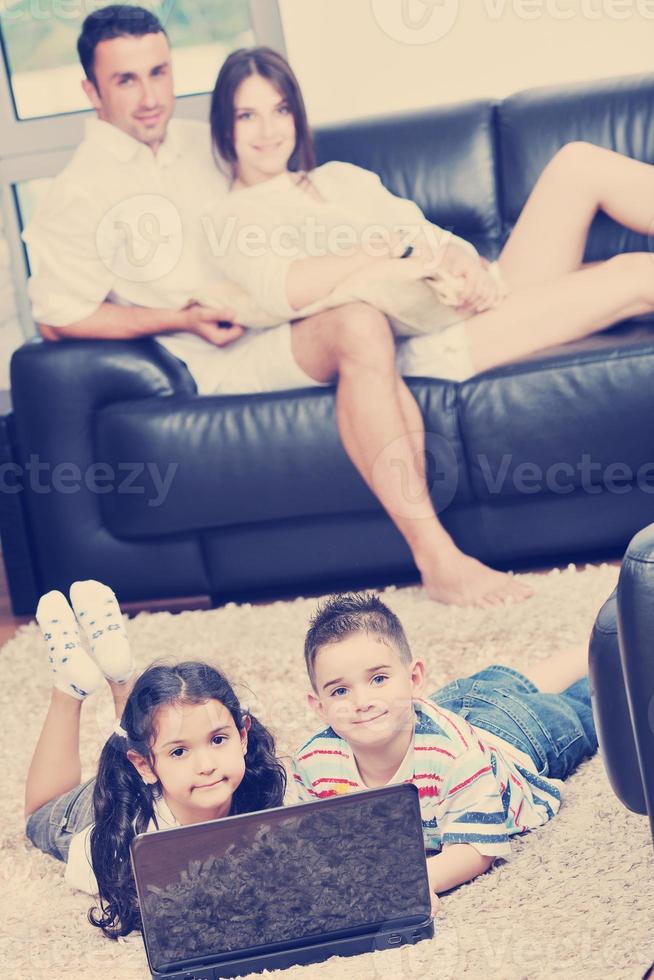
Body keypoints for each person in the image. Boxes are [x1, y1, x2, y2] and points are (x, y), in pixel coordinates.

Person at [23, 4, 535, 610]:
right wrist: (177, 318)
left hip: (285, 308)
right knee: (358, 324)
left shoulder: (203, 143)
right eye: (125, 80)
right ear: (91, 89)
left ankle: (442, 543)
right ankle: (437, 556)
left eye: (158, 72)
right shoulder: (79, 192)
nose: (149, 96)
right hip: (219, 353)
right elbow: (58, 316)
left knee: (372, 310)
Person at [291, 592, 598, 913]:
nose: (362, 700)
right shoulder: (314, 763)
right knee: (510, 687)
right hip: (443, 706)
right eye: (340, 690)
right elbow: (317, 844)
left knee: (593, 704)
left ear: (414, 679)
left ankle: (607, 640)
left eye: (378, 679)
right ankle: (597, 644)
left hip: (517, 735)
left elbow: (476, 848)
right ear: (319, 706)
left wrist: (419, 881)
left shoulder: (453, 753)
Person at [24, 580, 286, 939]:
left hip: (155, 776)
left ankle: (121, 679)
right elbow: (88, 871)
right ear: (145, 765)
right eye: (181, 751)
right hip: (107, 811)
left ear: (243, 736)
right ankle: (69, 688)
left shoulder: (262, 787)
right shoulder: (126, 842)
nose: (206, 764)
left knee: (150, 730)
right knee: (37, 816)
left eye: (218, 739)